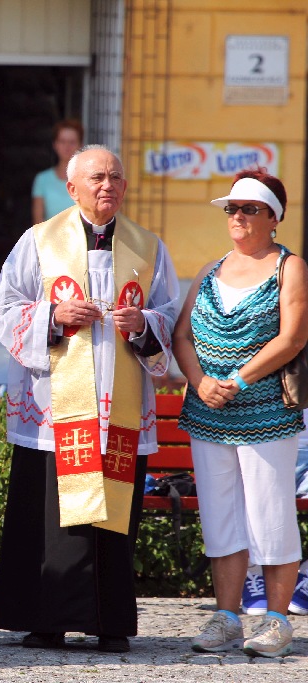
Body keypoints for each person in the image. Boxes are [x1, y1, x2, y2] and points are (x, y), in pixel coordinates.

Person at [0, 144, 180, 653]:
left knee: (111, 516)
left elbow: (169, 314)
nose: (107, 186)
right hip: (56, 409)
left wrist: (145, 325)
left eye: (116, 177)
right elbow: (5, 309)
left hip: (117, 410)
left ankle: (108, 621)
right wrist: (53, 317)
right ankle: (45, 619)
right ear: (70, 187)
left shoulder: (148, 247)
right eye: (96, 177)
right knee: (52, 517)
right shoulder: (38, 241)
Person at [174, 169, 307, 658]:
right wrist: (199, 382)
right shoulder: (211, 269)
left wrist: (239, 379)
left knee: (272, 515)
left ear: (274, 217)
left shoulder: (288, 267)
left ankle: (275, 621)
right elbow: (182, 336)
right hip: (208, 415)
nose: (238, 216)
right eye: (232, 208)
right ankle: (227, 617)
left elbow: (292, 336)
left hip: (265, 413)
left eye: (250, 208)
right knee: (221, 517)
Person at [31, 119, 83, 224]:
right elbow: (38, 223)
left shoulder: (88, 180)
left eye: (72, 142)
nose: (67, 147)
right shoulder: (42, 179)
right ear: (55, 144)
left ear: (80, 145)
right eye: (62, 141)